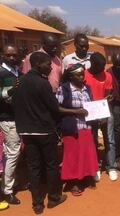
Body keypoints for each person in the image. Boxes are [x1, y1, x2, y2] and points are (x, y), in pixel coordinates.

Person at [13, 52, 67, 214]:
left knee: (33, 167)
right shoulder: (43, 84)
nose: (50, 67)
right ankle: (53, 198)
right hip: (44, 131)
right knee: (51, 166)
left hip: (26, 132)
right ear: (37, 64)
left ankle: (37, 204)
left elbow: (14, 102)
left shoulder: (19, 81)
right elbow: (54, 108)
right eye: (47, 64)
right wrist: (75, 111)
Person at [57, 64, 99, 196]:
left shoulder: (87, 88)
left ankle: (86, 176)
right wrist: (75, 111)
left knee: (86, 153)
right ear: (70, 76)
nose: (81, 77)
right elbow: (56, 107)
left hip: (86, 126)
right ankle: (74, 182)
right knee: (72, 155)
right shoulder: (64, 89)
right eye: (78, 74)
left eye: (82, 74)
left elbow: (91, 106)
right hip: (72, 127)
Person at [84, 52, 118, 181]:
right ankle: (95, 167)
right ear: (92, 64)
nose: (103, 69)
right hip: (90, 113)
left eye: (104, 66)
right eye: (100, 66)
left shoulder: (107, 76)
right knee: (92, 141)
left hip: (105, 112)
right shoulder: (84, 75)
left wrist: (106, 112)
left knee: (109, 139)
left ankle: (111, 167)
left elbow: (108, 95)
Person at [0, 45, 22, 205]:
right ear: (3, 55)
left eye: (15, 55)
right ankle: (7, 191)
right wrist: (11, 91)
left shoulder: (17, 71)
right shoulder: (1, 73)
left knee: (13, 152)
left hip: (18, 117)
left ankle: (10, 183)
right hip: (7, 118)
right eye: (9, 55)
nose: (12, 58)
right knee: (12, 153)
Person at [108, 54, 120, 171]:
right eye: (117, 65)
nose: (119, 67)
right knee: (118, 129)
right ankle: (118, 155)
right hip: (116, 103)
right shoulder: (109, 72)